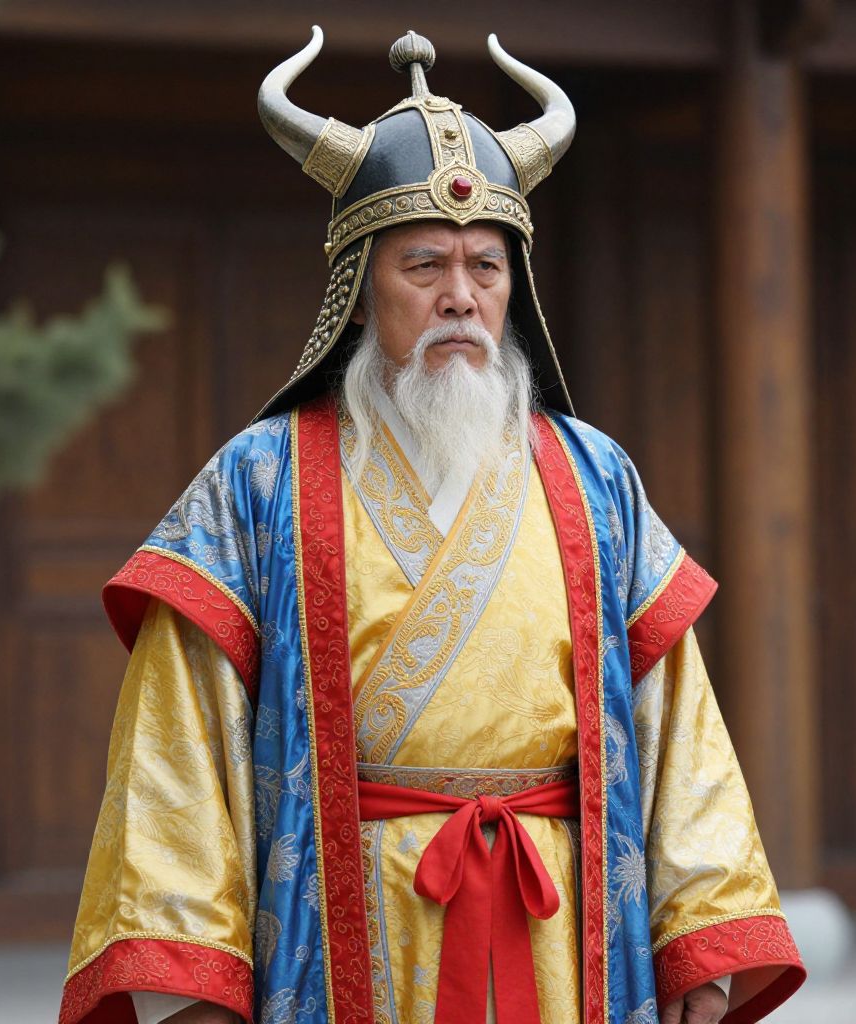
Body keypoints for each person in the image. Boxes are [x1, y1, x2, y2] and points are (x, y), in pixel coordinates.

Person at [57, 28, 806, 1024]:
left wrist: (702, 953)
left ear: (513, 288)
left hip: (564, 935)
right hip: (343, 932)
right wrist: (194, 990)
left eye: (485, 269)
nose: (460, 295)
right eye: (423, 265)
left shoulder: (594, 478)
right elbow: (174, 745)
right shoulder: (259, 481)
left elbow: (681, 737)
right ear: (357, 291)